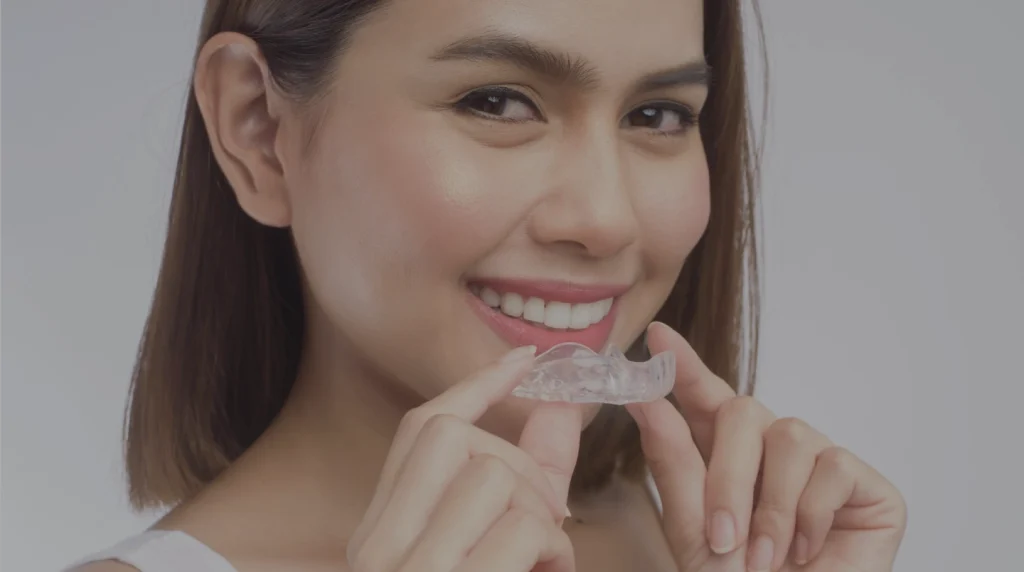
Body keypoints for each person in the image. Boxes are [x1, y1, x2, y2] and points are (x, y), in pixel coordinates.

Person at [71, 0, 907, 570]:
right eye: (498, 102)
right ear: (257, 129)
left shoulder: (695, 542)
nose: (606, 219)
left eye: (656, 115)